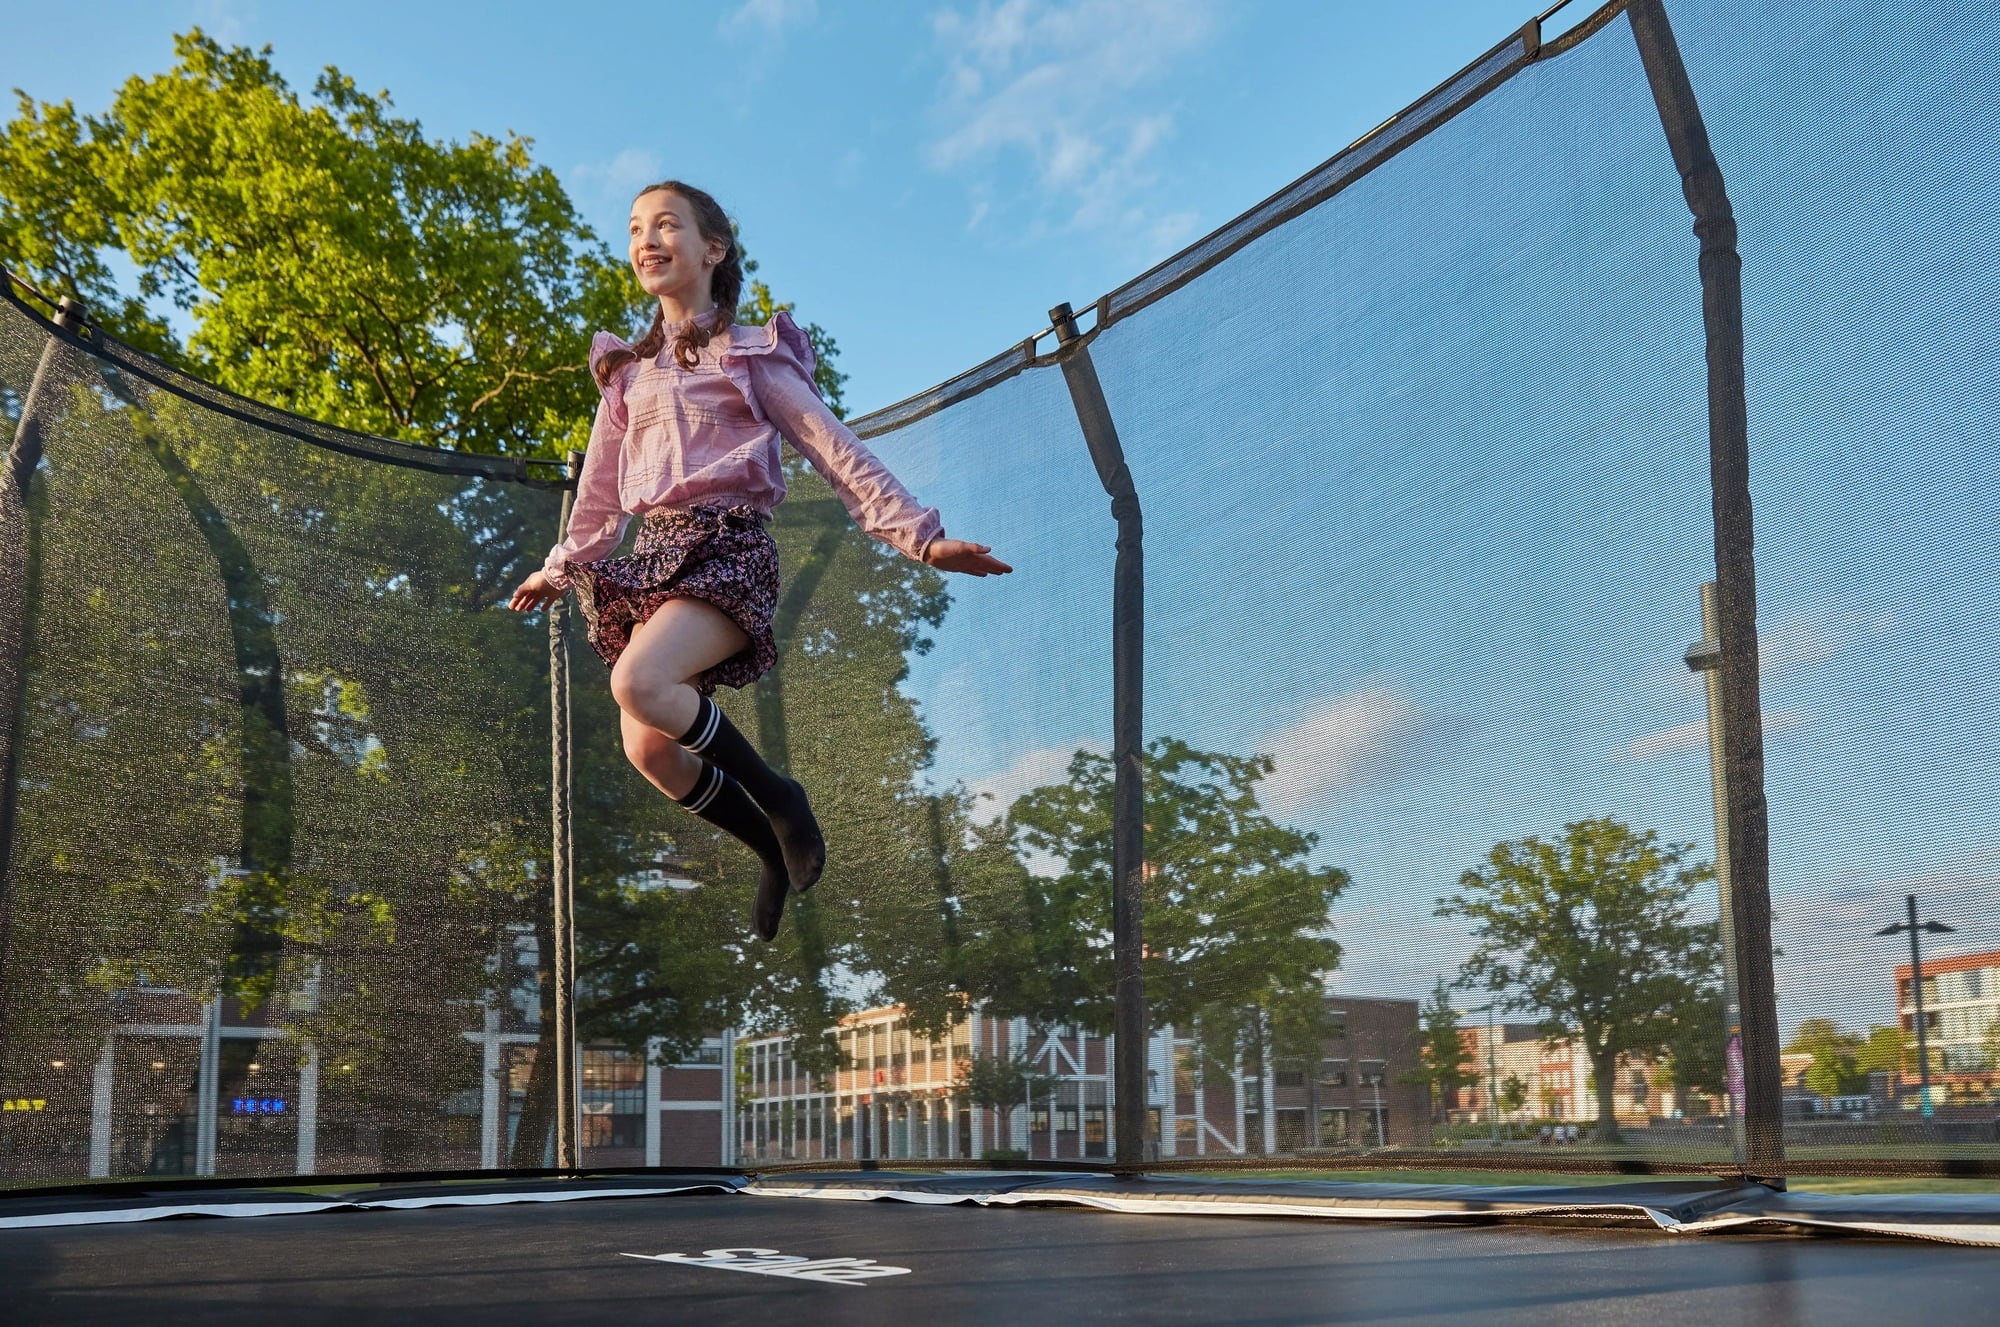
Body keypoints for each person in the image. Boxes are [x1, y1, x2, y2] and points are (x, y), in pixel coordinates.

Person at [510, 181, 1010, 942]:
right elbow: (600, 495)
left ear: (713, 249)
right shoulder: (626, 375)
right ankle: (769, 849)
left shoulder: (751, 355)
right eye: (636, 229)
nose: (646, 240)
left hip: (726, 547)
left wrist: (920, 537)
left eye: (666, 225)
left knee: (638, 681)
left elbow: (836, 450)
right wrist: (557, 568)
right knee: (648, 747)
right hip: (653, 558)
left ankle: (781, 798)